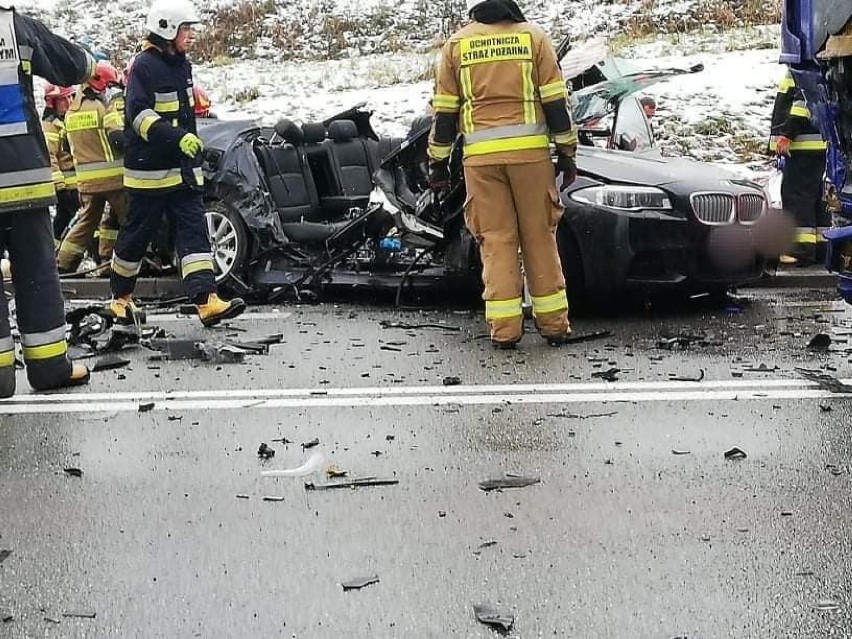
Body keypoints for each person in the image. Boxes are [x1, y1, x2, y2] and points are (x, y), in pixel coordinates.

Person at [428, 0, 577, 348]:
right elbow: (556, 104)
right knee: (540, 237)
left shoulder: (457, 45)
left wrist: (437, 164)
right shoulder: (533, 38)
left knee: (495, 241)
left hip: (481, 164)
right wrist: (567, 154)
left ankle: (505, 331)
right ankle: (554, 325)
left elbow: (445, 115)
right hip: (530, 160)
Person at [110, 0, 245, 326]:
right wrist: (175, 138)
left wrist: (190, 148)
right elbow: (139, 117)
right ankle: (120, 299)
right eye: (186, 29)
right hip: (149, 174)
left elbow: (184, 114)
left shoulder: (182, 65)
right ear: (167, 30)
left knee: (194, 233)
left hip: (182, 171)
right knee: (136, 237)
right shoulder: (143, 66)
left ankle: (206, 300)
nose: (191, 35)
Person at [0, 3, 95, 396]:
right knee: (37, 273)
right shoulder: (15, 29)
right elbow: (72, 66)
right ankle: (50, 366)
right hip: (24, 179)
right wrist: (92, 60)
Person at [57, 60, 127, 273]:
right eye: (107, 85)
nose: (108, 90)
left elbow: (66, 144)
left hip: (86, 183)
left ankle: (63, 263)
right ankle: (132, 261)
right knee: (131, 220)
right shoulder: (103, 107)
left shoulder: (71, 111)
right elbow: (118, 138)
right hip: (114, 180)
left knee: (87, 223)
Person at [769, 68, 830, 266]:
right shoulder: (818, 66)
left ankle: (799, 250)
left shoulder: (800, 69)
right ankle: (822, 247)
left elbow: (802, 104)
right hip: (818, 145)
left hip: (802, 145)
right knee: (816, 197)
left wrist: (787, 135)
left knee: (796, 196)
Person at [41, 83, 79, 240]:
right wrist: (61, 189)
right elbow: (50, 159)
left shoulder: (65, 121)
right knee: (67, 221)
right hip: (66, 187)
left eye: (70, 97)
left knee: (68, 221)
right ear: (52, 102)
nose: (68, 102)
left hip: (76, 184)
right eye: (63, 99)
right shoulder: (50, 126)